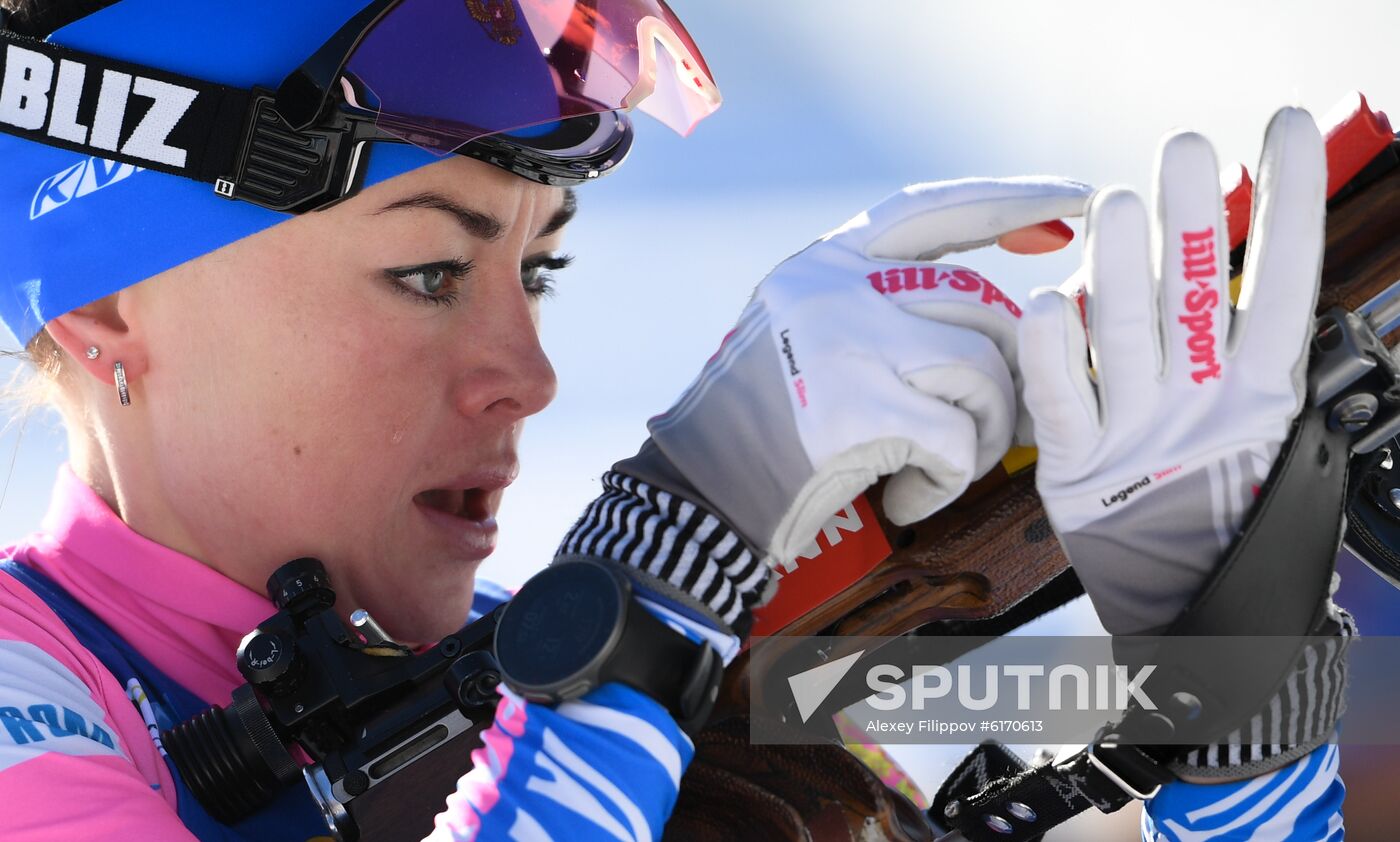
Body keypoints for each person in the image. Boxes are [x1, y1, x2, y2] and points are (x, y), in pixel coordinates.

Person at [0, 2, 1350, 842]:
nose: (526, 371)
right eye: (427, 272)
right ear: (106, 305)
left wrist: (1226, 714)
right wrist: (672, 545)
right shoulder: (29, 699)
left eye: (535, 272)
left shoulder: (608, 685)